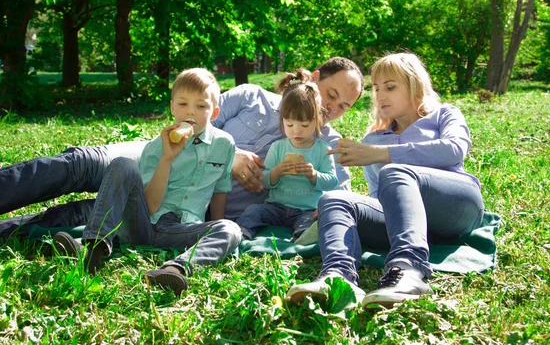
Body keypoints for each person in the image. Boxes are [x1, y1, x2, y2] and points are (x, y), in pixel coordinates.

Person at [0, 57, 364, 236]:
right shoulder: (253, 97)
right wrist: (230, 153)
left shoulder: (328, 146)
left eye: (343, 106)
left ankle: (9, 230)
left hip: (187, 210)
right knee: (78, 164)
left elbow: (341, 200)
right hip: (158, 159)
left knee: (82, 215)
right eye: (331, 94)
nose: (331, 108)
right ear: (315, 78)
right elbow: (192, 120)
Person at [286, 52, 485, 308]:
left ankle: (409, 270)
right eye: (377, 89)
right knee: (334, 199)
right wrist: (343, 211)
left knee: (395, 171)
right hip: (409, 224)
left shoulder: (444, 114)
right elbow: (381, 198)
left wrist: (383, 155)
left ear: (415, 86)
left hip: (457, 207)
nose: (380, 96)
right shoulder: (374, 140)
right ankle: (338, 276)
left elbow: (454, 148)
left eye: (390, 87)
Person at [52, 68, 241, 296]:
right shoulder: (156, 147)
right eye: (183, 104)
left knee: (230, 229)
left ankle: (175, 270)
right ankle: (92, 249)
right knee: (123, 164)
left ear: (214, 112)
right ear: (172, 107)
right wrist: (167, 158)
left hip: (183, 231)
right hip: (143, 224)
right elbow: (150, 205)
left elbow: (220, 190)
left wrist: (214, 234)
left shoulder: (225, 145)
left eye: (201, 106)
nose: (190, 112)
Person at [236, 70, 338, 241]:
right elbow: (265, 181)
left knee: (309, 221)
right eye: (289, 124)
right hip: (277, 207)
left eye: (304, 125)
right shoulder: (278, 147)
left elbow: (331, 182)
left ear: (317, 121)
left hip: (306, 209)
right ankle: (241, 231)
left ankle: (303, 235)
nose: (296, 131)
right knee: (254, 210)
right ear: (282, 120)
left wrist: (313, 175)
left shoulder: (322, 149)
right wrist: (277, 172)